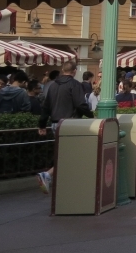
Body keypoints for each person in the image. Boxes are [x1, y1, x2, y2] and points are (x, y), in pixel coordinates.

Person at [36, 62, 94, 194]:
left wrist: (42, 124)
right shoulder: (74, 85)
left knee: (64, 153)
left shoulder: (52, 85)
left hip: (56, 124)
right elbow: (80, 104)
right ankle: (48, 174)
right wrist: (91, 116)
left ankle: (63, 181)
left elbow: (46, 107)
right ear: (74, 71)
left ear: (63, 70)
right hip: (71, 124)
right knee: (71, 155)